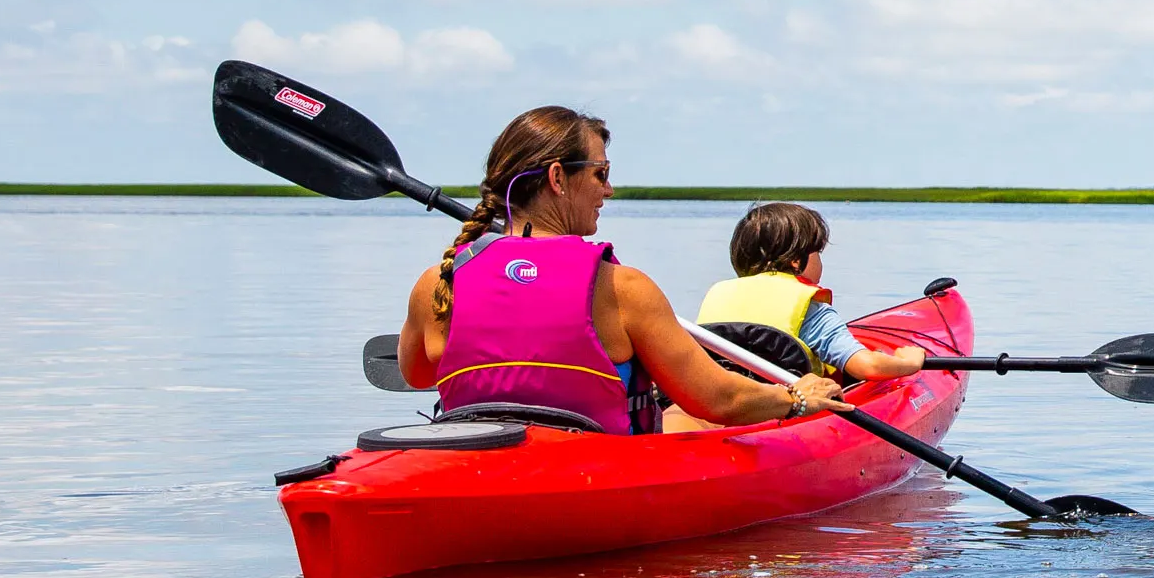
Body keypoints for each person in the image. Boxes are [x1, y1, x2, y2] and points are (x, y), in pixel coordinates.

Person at [394, 105, 831, 436]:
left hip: (475, 456)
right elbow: (719, 399)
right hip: (595, 466)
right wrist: (795, 397)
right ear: (558, 178)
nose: (609, 189)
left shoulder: (438, 282)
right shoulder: (623, 288)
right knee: (687, 418)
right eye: (601, 173)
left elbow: (416, 374)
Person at [690, 199, 930, 386]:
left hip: (728, 406)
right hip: (790, 417)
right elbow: (867, 367)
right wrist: (907, 363)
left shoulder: (719, 294)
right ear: (796, 261)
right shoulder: (811, 309)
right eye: (818, 253)